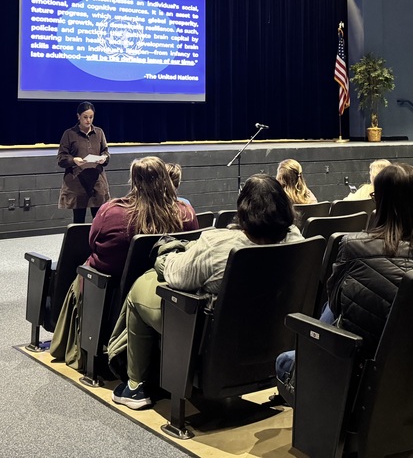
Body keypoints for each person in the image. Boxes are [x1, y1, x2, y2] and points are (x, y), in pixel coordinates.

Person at [107, 174, 303, 409]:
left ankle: (136, 386)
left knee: (141, 287)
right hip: (271, 333)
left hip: (209, 337)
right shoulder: (297, 239)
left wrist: (165, 255)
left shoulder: (218, 245)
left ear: (243, 208)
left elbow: (177, 276)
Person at [276, 162, 413, 387]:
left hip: (360, 374)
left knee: (285, 361)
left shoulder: (353, 247)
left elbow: (335, 305)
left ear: (381, 202)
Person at [47, 156, 198, 365]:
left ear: (134, 181)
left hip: (108, 291)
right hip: (164, 288)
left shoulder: (113, 212)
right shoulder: (185, 212)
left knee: (81, 275)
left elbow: (93, 242)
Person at [56, 101, 110, 223]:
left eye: (91, 117)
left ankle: (96, 242)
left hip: (97, 181)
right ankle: (79, 242)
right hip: (78, 183)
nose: (88, 120)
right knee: (79, 220)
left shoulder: (99, 132)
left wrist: (104, 158)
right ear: (78, 116)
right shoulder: (69, 134)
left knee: (99, 220)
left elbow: (106, 152)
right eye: (85, 117)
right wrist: (73, 160)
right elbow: (61, 158)